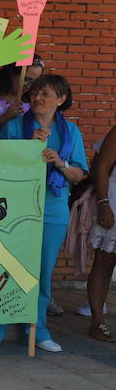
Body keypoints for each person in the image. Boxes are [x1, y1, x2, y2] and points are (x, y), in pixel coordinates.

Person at [0, 74, 86, 353]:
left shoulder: (71, 132)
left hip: (52, 209)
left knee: (41, 271)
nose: (38, 97)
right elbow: (0, 167)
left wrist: (59, 161)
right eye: (35, 92)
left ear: (61, 100)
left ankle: (36, 328)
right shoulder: (15, 126)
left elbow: (78, 175)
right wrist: (28, 147)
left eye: (46, 93)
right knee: (4, 264)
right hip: (15, 208)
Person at [86, 123, 116, 342]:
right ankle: (97, 321)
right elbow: (102, 166)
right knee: (105, 262)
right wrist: (104, 203)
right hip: (114, 201)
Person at [0, 64, 26, 129]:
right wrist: (6, 116)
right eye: (26, 79)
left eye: (34, 81)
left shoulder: (33, 99)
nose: (28, 85)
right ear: (12, 73)